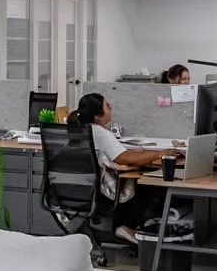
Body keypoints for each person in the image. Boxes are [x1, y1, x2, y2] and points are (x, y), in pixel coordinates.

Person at [67, 93, 182, 245]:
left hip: (72, 191)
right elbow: (123, 158)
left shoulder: (78, 130)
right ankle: (127, 227)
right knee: (146, 183)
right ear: (97, 116)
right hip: (97, 195)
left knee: (131, 177)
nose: (110, 109)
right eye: (108, 107)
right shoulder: (100, 133)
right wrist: (160, 153)